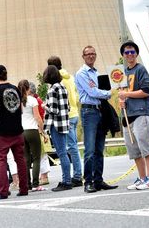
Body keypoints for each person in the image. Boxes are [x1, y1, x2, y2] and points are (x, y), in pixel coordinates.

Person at [75, 45, 118, 193]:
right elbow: (92, 91)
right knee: (90, 149)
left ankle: (98, 180)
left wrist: (103, 92)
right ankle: (88, 181)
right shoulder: (81, 73)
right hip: (89, 112)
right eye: (88, 54)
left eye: (93, 54)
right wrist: (107, 93)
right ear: (83, 56)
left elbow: (97, 89)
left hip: (100, 111)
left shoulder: (96, 73)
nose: (91, 56)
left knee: (99, 148)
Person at [117, 40, 149, 191]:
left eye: (132, 52)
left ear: (136, 54)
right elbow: (122, 94)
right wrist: (122, 100)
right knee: (134, 150)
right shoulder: (122, 73)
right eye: (126, 52)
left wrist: (126, 94)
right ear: (123, 55)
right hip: (128, 115)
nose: (129, 55)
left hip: (140, 112)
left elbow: (146, 91)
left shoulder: (141, 70)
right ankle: (142, 178)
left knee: (145, 147)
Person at [0, 64, 29, 199]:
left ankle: (3, 191)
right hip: (17, 130)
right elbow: (21, 110)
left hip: (2, 132)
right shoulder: (15, 89)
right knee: (20, 159)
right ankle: (24, 188)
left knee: (1, 160)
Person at [48, 55, 83, 187]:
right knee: (72, 147)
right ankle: (77, 174)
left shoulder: (58, 81)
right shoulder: (71, 78)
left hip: (64, 117)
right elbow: (76, 95)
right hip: (74, 113)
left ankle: (76, 176)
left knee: (67, 148)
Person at [42, 65, 72, 192]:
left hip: (56, 124)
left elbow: (54, 110)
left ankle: (66, 181)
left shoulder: (52, 90)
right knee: (63, 152)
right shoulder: (63, 87)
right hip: (64, 123)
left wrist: (44, 106)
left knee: (61, 153)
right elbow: (68, 107)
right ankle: (67, 179)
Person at [18, 79, 45, 191]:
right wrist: (42, 131)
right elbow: (37, 117)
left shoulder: (17, 101)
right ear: (28, 88)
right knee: (36, 158)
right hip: (32, 130)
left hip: (21, 131)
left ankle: (27, 184)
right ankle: (35, 183)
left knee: (25, 159)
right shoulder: (32, 100)